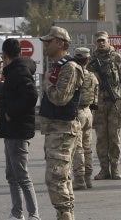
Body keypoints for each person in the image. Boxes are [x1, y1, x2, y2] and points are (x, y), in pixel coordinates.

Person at [38, 26, 84, 220]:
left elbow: (60, 98)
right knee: (62, 178)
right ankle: (65, 215)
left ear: (60, 43)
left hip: (63, 130)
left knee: (55, 178)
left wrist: (47, 83)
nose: (46, 45)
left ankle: (65, 214)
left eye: (49, 41)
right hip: (56, 130)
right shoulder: (58, 66)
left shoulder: (70, 68)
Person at [0, 38, 40, 220]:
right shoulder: (14, 71)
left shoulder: (19, 72)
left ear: (4, 55)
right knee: (11, 175)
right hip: (11, 130)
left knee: (21, 175)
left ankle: (33, 214)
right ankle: (17, 213)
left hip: (17, 130)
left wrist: (10, 114)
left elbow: (31, 95)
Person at [88, 31, 121, 180]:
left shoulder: (116, 58)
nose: (101, 43)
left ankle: (115, 168)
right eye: (98, 40)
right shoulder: (91, 60)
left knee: (114, 137)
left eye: (103, 40)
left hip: (115, 103)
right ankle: (104, 169)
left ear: (108, 41)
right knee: (101, 138)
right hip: (99, 104)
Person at [71, 47, 99, 190]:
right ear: (88, 60)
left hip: (77, 113)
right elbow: (96, 97)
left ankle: (80, 179)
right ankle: (88, 178)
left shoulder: (75, 75)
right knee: (88, 148)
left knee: (78, 148)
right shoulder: (92, 76)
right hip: (88, 113)